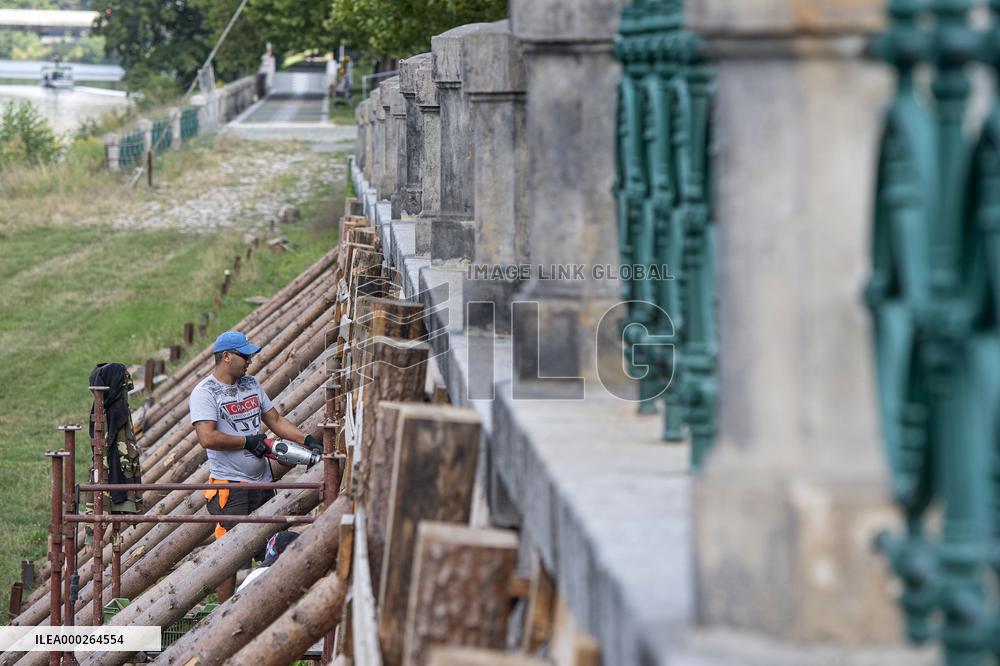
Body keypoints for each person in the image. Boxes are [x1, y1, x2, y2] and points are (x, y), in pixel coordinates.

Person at [188, 330, 321, 599]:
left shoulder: (251, 384)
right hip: (231, 487)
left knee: (270, 545)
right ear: (226, 357)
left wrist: (308, 440)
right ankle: (223, 614)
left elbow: (275, 420)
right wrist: (247, 442)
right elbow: (207, 437)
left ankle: (260, 603)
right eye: (244, 355)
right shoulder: (205, 393)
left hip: (262, 483)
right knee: (230, 555)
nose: (250, 360)